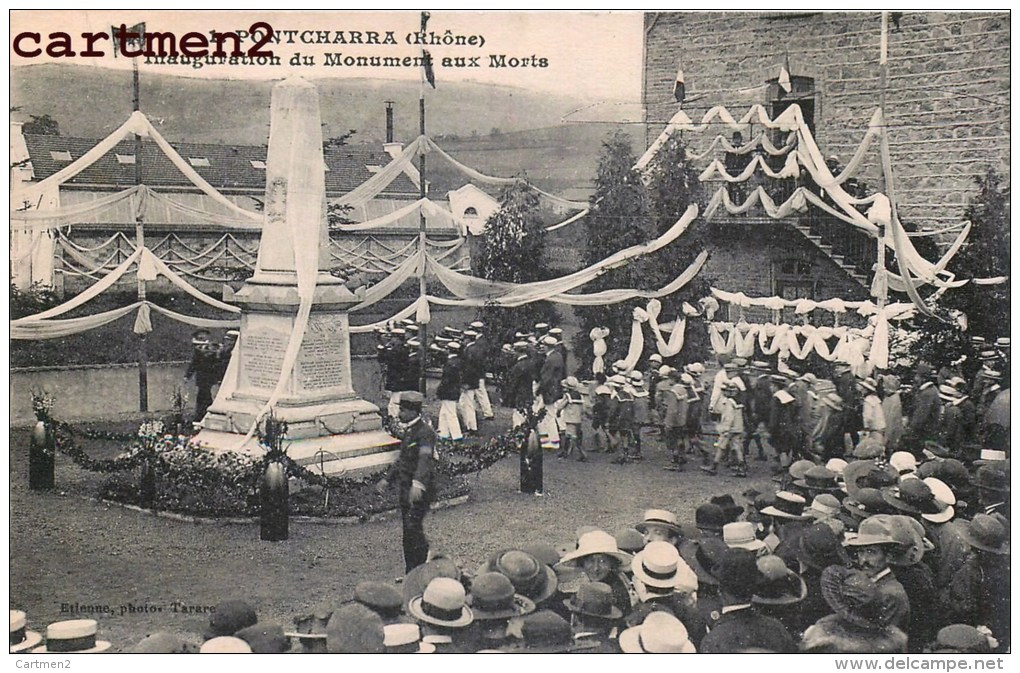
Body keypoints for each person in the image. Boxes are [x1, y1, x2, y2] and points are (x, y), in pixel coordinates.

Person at [376, 391, 437, 573]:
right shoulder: (410, 431)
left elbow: (424, 460)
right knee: (409, 531)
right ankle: (412, 570)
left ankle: (419, 567)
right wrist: (387, 480)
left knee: (412, 530)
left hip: (418, 491)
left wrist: (418, 483)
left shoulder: (425, 433)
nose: (399, 414)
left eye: (402, 410)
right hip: (406, 489)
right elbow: (402, 459)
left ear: (413, 412)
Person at [185, 329, 222, 422]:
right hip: (201, 376)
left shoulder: (213, 346)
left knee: (205, 395)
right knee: (203, 395)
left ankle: (203, 414)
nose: (202, 337)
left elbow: (217, 362)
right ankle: (203, 414)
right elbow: (194, 363)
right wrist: (188, 375)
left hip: (210, 375)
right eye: (200, 336)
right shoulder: (197, 349)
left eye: (203, 335)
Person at [436, 342, 464, 441]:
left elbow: (446, 380)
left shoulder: (449, 363)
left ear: (449, 350)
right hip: (454, 390)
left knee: (451, 413)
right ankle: (443, 432)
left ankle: (457, 435)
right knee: (444, 413)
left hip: (449, 391)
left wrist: (440, 390)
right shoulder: (458, 361)